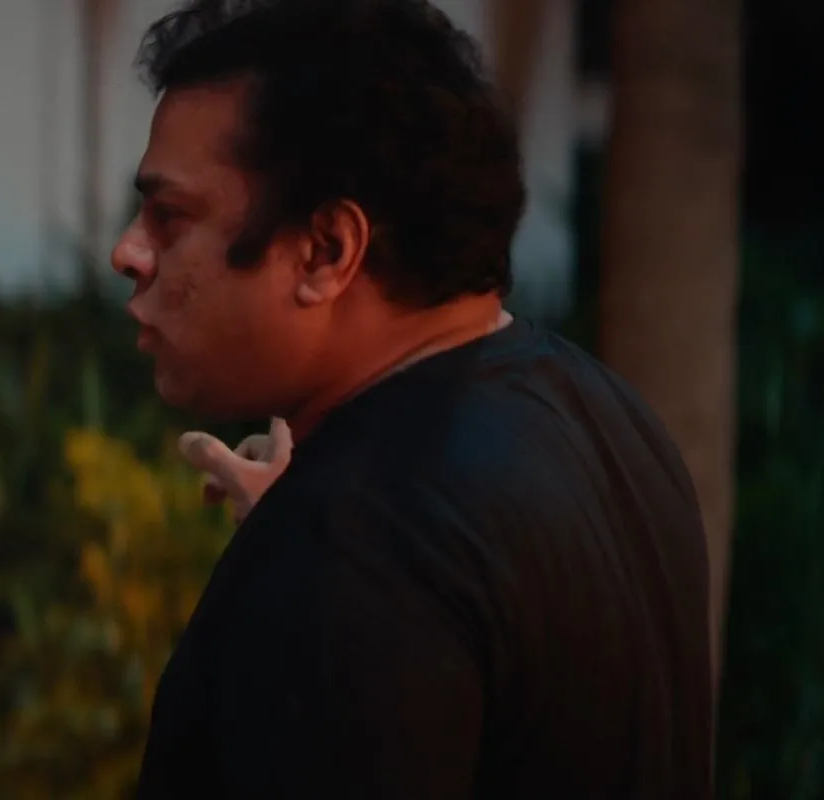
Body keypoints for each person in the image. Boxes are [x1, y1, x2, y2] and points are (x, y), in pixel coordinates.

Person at [111, 0, 715, 797]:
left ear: (327, 250)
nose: (129, 252)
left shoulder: (351, 549)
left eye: (169, 215)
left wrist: (313, 564)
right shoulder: (606, 415)